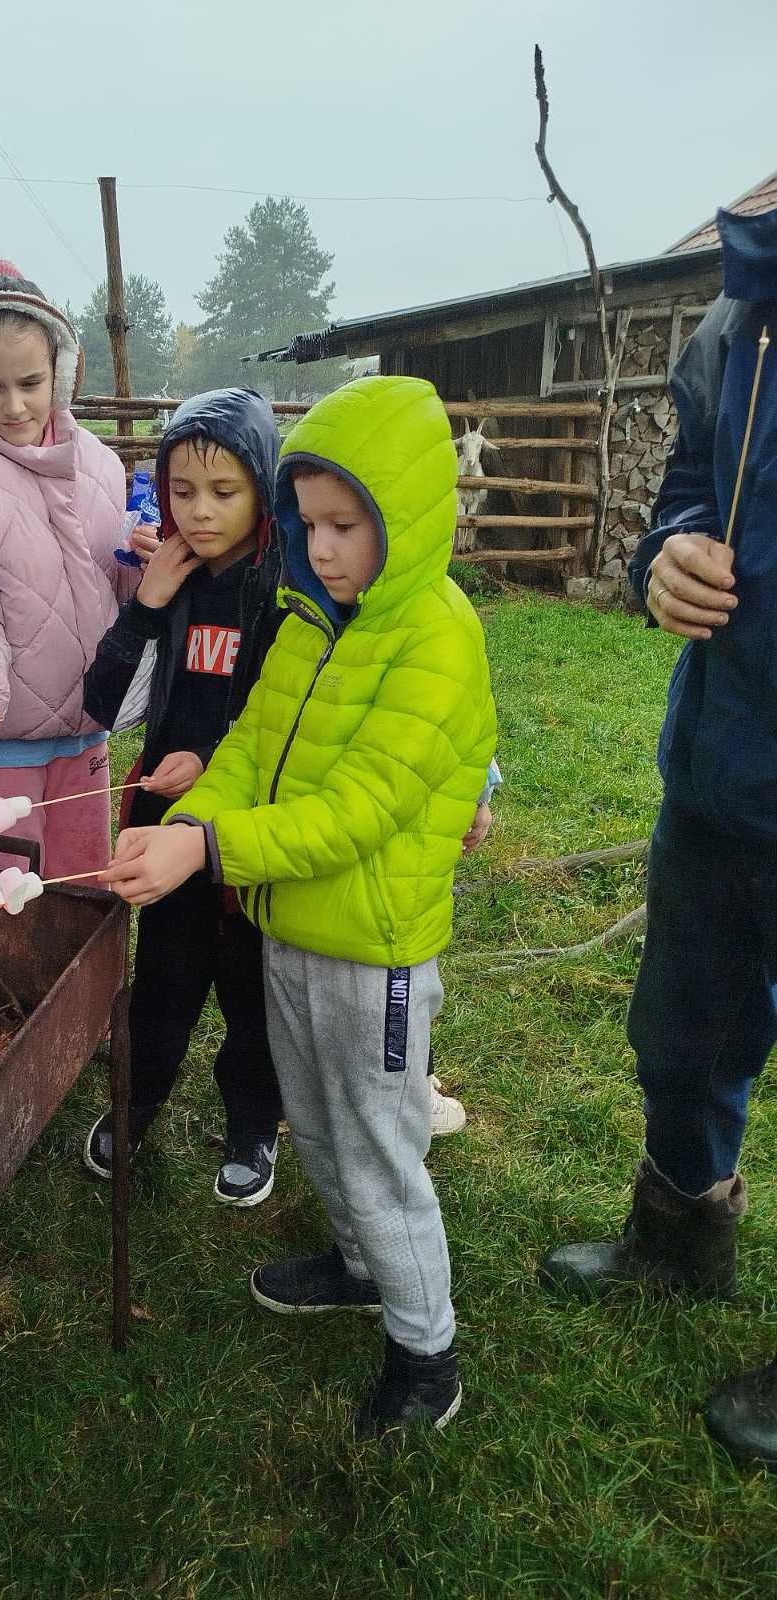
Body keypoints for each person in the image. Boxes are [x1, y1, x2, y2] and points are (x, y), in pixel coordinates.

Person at [102, 375, 497, 1440]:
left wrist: (206, 848)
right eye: (309, 523)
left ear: (403, 517)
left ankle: (427, 1354)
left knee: (378, 1147)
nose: (321, 550)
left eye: (345, 527)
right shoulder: (311, 619)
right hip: (291, 932)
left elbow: (355, 813)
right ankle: (363, 1266)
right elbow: (245, 749)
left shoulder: (435, 637)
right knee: (317, 1124)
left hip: (375, 952)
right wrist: (190, 820)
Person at [539, 205, 777, 1471]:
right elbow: (688, 484)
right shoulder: (735, 317)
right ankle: (679, 1232)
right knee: (682, 1022)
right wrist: (663, 553)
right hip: (722, 762)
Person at [81, 388, 288, 1204]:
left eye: (224, 491)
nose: (200, 512)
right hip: (164, 827)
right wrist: (149, 604)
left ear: (263, 488)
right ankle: (137, 1101)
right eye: (183, 490)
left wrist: (208, 759)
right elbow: (106, 705)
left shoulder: (286, 589)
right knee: (165, 974)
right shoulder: (170, 582)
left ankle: (253, 1122)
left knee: (253, 985)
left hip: (251, 832)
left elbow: (287, 717)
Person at [0, 260, 133, 879]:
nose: (13, 405)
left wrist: (145, 564)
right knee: (0, 894)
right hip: (3, 737)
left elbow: (114, 585)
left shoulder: (101, 466)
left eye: (31, 383)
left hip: (88, 729)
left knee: (81, 882)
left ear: (61, 371)